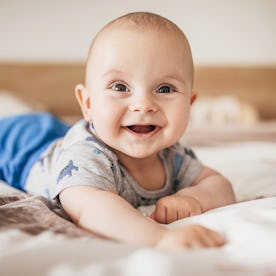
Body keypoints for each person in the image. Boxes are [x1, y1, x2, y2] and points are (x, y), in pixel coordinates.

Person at [0, 12, 236, 250]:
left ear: (189, 104)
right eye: (120, 86)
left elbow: (218, 183)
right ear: (88, 103)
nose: (143, 104)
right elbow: (90, 208)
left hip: (59, 135)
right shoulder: (85, 158)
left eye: (165, 88)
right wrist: (160, 237)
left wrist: (193, 197)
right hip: (20, 144)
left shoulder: (173, 157)